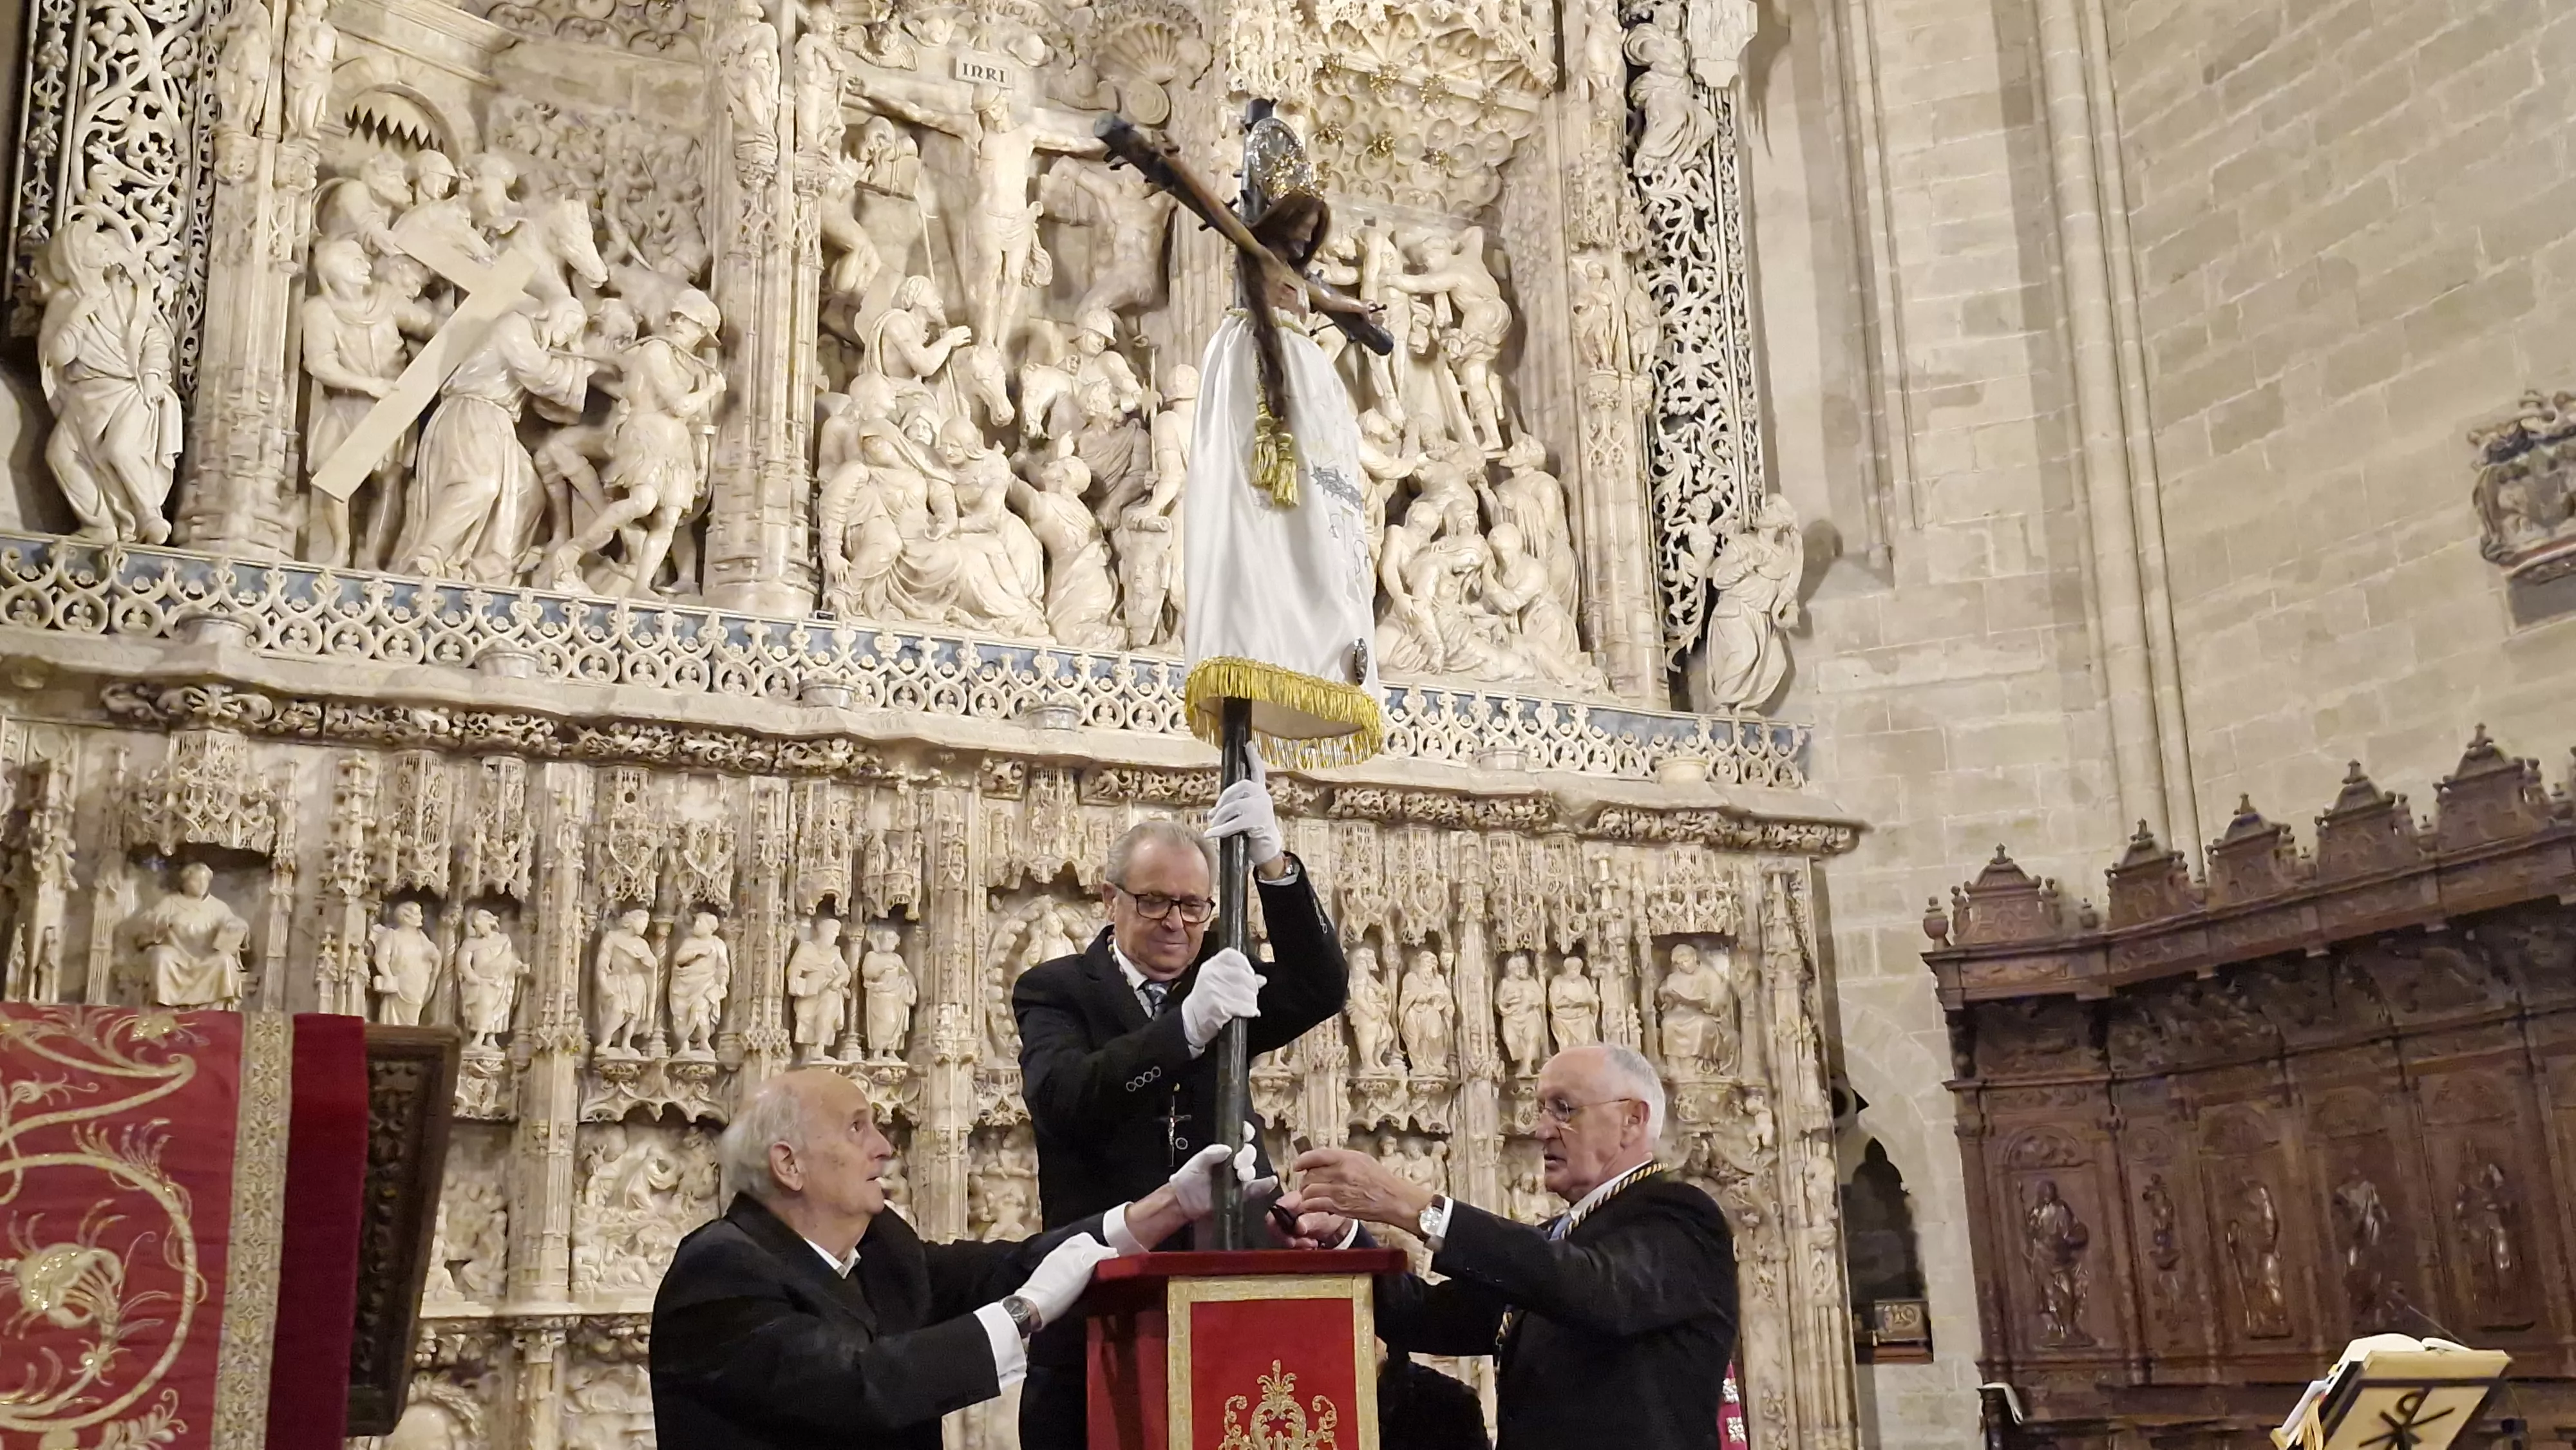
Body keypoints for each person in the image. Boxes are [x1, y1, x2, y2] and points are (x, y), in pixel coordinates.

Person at [1010, 751, 1349, 1450]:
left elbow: (1321, 987)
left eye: (1193, 904)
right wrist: (1185, 1029)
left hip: (1226, 1285)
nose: (1176, 922)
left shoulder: (1220, 972)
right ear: (1111, 899)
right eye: (1154, 900)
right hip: (1103, 1299)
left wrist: (1273, 865)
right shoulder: (1058, 988)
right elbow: (1064, 1098)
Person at [650, 1068, 1260, 1450]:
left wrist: (1171, 1205)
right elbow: (861, 1386)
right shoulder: (719, 1272)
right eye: (857, 1128)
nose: (885, 1148)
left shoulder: (879, 1247)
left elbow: (1001, 1269)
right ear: (789, 1165)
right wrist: (1025, 1314)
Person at [1282, 1044, 1738, 1450]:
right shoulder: (1560, 1236)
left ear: (1631, 1120)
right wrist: (1342, 1236)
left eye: (1563, 1109)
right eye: (1540, 1110)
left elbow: (1595, 1289)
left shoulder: (1681, 1217)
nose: (1541, 1130)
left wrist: (1416, 1207)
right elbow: (1426, 1317)